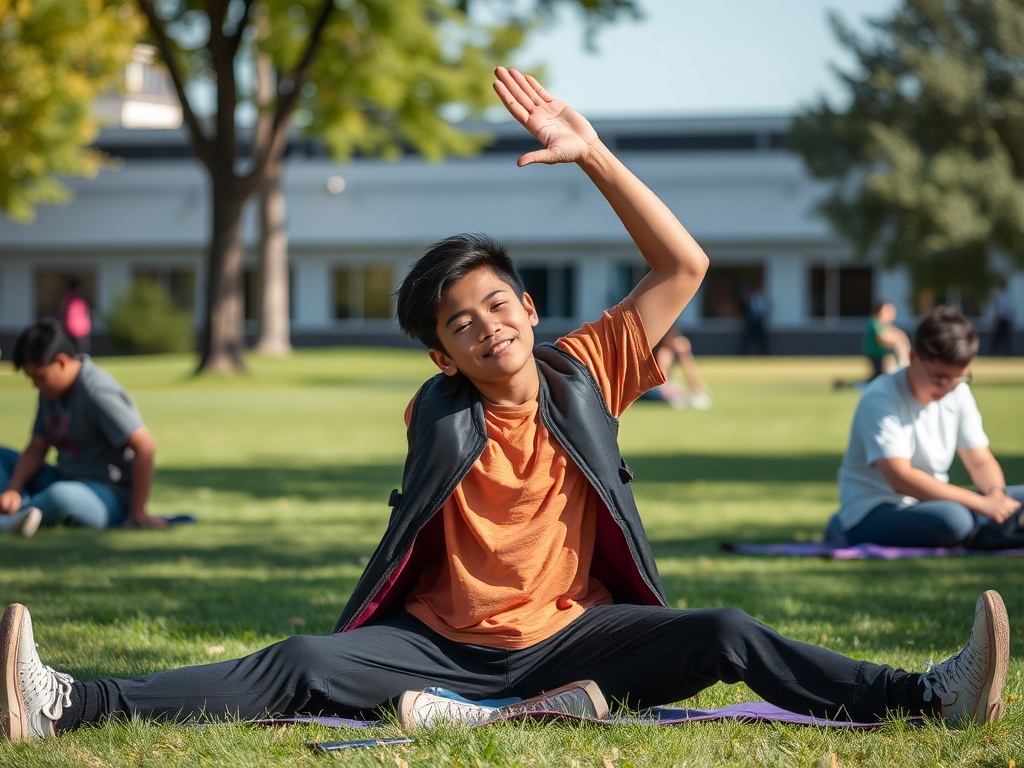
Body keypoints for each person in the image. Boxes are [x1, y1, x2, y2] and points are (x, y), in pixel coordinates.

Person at [0, 68, 1009, 743]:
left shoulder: (585, 366)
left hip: (575, 635)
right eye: (460, 323)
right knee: (300, 658)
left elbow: (683, 262)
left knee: (730, 629)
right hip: (439, 643)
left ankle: (925, 695)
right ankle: (68, 703)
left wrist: (594, 153)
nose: (488, 328)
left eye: (498, 304)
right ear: (439, 350)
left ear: (528, 307)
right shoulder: (437, 411)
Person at [825, 306, 1024, 550]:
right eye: (940, 378)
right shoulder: (879, 397)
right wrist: (981, 504)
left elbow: (979, 459)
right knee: (954, 520)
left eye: (960, 378)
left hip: (934, 502)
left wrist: (996, 495)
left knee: (1015, 500)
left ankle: (992, 529)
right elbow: (901, 478)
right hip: (876, 509)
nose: (948, 388)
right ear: (914, 357)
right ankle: (839, 526)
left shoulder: (958, 392)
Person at [0, 319, 166, 537]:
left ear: (61, 362)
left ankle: (10, 519)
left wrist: (138, 512)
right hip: (65, 478)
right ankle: (14, 509)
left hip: (107, 496)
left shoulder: (97, 391)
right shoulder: (51, 392)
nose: (36, 386)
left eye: (39, 378)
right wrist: (13, 488)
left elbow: (145, 446)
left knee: (60, 497)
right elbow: (37, 447)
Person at [833, 300, 911, 390]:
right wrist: (897, 340)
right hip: (878, 357)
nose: (892, 313)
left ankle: (846, 384)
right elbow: (882, 338)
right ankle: (849, 384)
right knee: (879, 380)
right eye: (888, 310)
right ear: (880, 310)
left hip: (885, 358)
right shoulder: (875, 323)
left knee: (876, 379)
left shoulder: (886, 325)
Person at [640, 325, 711, 409]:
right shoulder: (663, 352)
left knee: (680, 393)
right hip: (651, 387)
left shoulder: (678, 347)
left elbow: (689, 369)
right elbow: (662, 380)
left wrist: (698, 390)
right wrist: (671, 391)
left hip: (664, 384)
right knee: (676, 396)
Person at [59, 279, 92, 355]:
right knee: (82, 353)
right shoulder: (82, 298)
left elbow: (64, 314)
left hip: (71, 328)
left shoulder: (68, 299)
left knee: (73, 353)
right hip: (83, 328)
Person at [739, 282, 768, 355]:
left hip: (759, 321)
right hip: (751, 322)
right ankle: (743, 353)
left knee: (762, 340)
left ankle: (764, 354)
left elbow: (763, 308)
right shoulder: (750, 297)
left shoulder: (762, 298)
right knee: (747, 339)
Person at [990, 280, 1014, 357]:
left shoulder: (1005, 296)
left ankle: (1007, 353)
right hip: (1001, 320)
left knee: (1004, 337)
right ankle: (994, 352)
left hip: (1004, 320)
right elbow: (998, 309)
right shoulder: (999, 296)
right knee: (999, 338)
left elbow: (1005, 309)